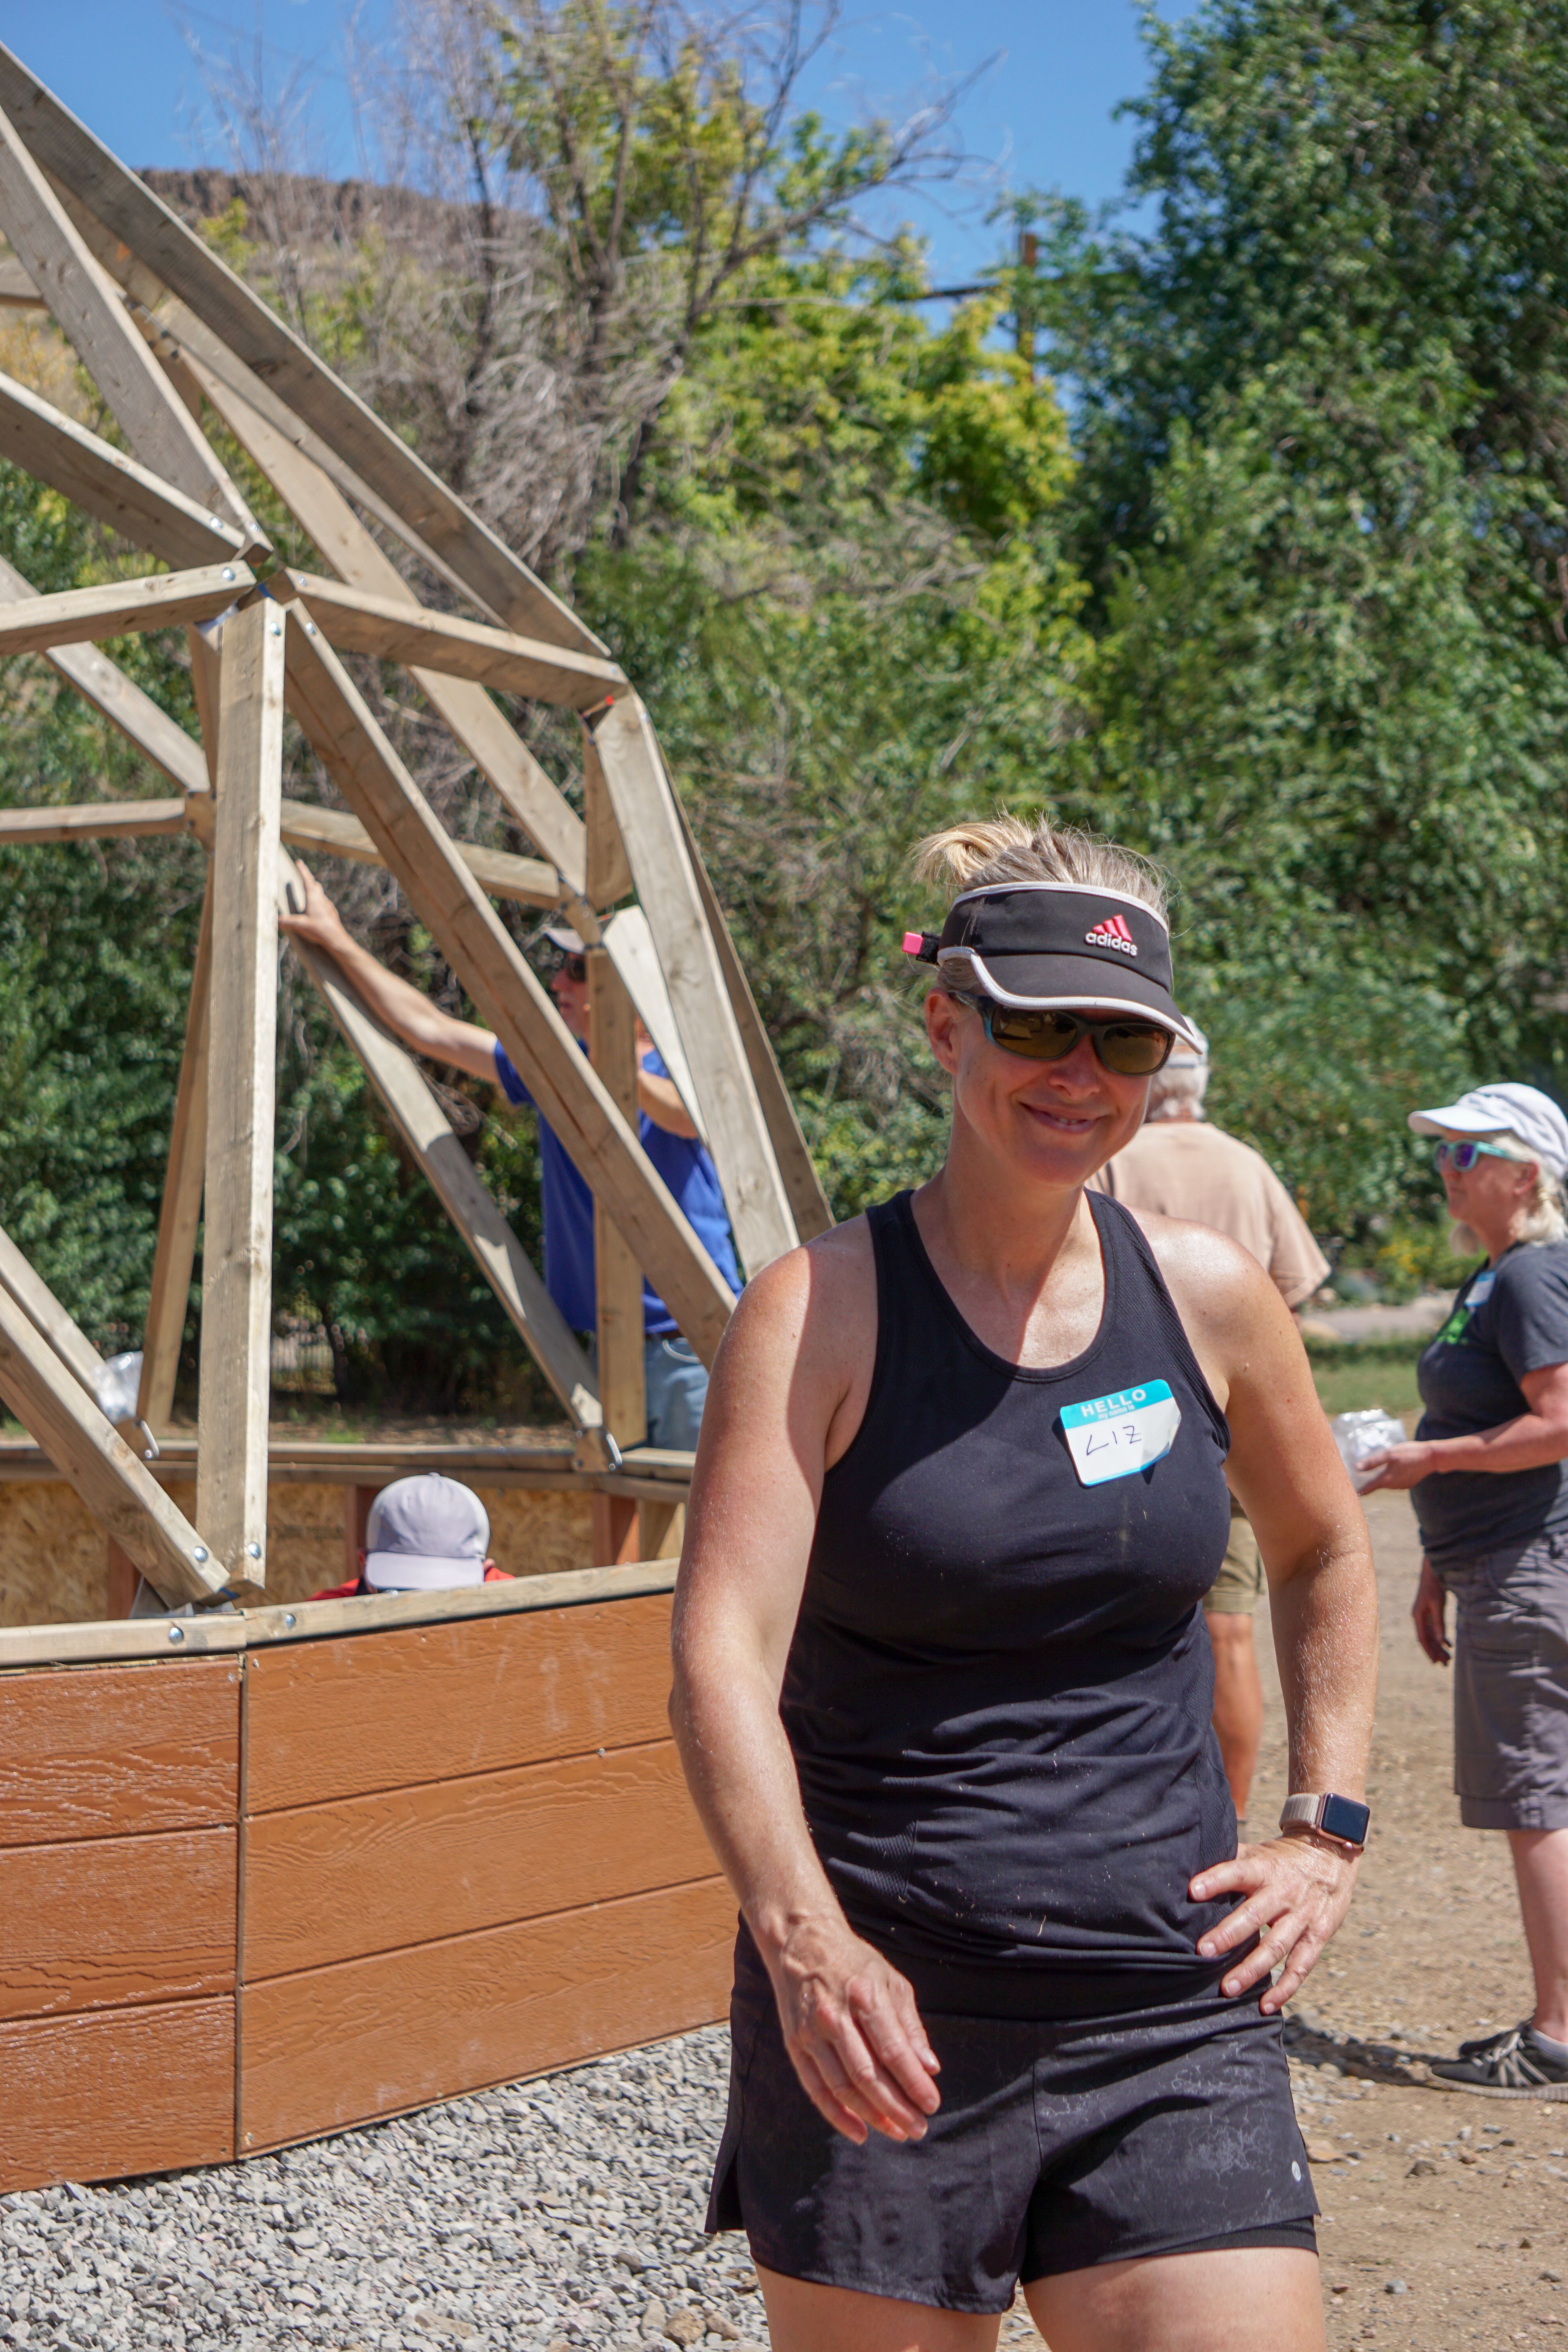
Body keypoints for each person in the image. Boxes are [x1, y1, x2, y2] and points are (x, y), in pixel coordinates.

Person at [672, 815, 1378, 2352]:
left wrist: (1325, 1826)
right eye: (1036, 1025)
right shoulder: (821, 1315)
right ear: (947, 1023)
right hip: (880, 2024)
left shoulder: (1205, 1298)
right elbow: (722, 1655)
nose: (1078, 1073)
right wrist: (801, 1939)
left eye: (1120, 1041)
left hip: (1167, 2011)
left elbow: (1323, 1549)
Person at [278, 871, 741, 1450]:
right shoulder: (556, 1067)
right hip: (611, 1345)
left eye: (578, 969)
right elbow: (430, 1029)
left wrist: (614, 1062)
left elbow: (690, 1119)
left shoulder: (678, 1069)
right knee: (623, 1530)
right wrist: (336, 939)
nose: (558, 981)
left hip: (693, 1347)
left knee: (704, 1527)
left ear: (629, 987)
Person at [1359, 1082, 1568, 2096]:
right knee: (1540, 1790)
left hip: (1529, 1567)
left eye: (1462, 1154)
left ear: (1523, 1174)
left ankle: (1560, 2033)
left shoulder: (1530, 1276)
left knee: (1534, 1794)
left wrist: (1427, 1466)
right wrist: (1436, 1568)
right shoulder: (1496, 1278)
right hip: (1496, 1564)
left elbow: (1563, 1421)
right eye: (1440, 1152)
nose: (1443, 1170)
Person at [1091, 1032, 1331, 1827]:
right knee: (1229, 1632)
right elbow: (1292, 1295)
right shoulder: (1245, 1165)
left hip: (1116, 1424)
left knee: (1110, 1621)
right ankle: (1224, 1825)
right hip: (1230, 1426)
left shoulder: (1108, 1157)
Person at [311, 1470, 510, 1600]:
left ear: (485, 1572)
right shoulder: (322, 1615)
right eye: (399, 1591)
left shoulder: (519, 1603)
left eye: (447, 1594)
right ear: (364, 1566)